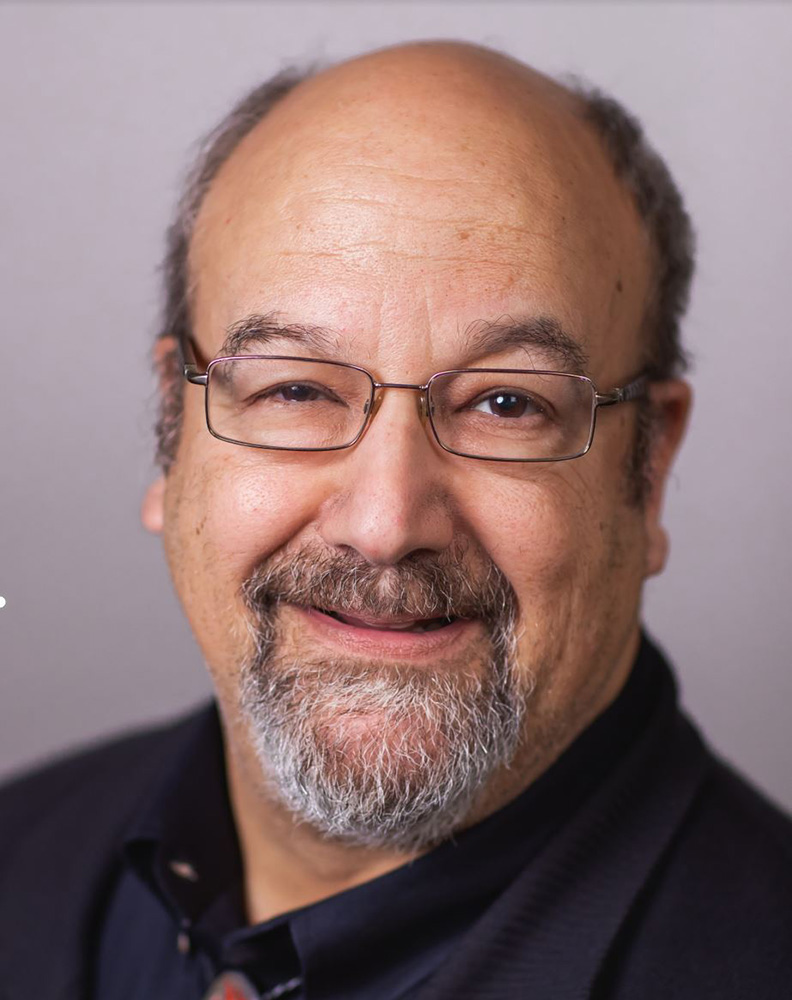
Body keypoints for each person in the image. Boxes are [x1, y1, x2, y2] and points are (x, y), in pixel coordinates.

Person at [1, 40, 790, 1000]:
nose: (384, 523)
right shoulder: (20, 856)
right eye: (295, 388)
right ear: (174, 429)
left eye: (506, 404)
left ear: (651, 469)